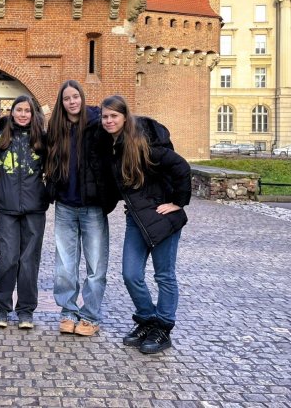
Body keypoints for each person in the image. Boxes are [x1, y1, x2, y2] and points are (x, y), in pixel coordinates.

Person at [100, 95, 191, 354]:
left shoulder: (141, 143)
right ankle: (148, 319)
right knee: (131, 274)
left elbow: (180, 166)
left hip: (162, 217)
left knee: (164, 275)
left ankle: (162, 328)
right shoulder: (114, 145)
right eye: (105, 116)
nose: (108, 121)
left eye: (113, 116)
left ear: (125, 118)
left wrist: (178, 202)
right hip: (136, 218)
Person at [45, 80, 114, 337]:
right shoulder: (57, 129)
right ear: (61, 103)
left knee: (96, 266)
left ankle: (91, 316)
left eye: (75, 97)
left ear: (82, 98)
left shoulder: (98, 126)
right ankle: (68, 312)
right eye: (67, 98)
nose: (72, 102)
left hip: (93, 207)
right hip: (65, 205)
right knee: (65, 265)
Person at [0, 94, 48, 329]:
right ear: (12, 112)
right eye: (18, 110)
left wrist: (47, 191)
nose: (23, 114)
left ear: (33, 114)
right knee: (8, 258)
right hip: (7, 207)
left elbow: (53, 165)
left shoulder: (42, 139)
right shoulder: (0, 138)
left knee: (29, 260)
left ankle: (26, 310)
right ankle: (2, 307)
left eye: (27, 111)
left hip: (34, 208)